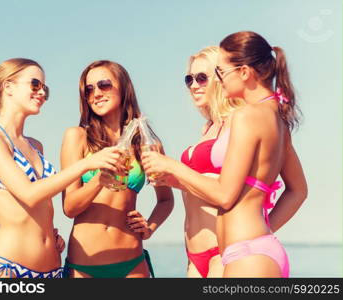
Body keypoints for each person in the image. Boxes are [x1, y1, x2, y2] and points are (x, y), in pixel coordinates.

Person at [142, 31, 308, 277]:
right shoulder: (276, 119)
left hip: (246, 254)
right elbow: (297, 190)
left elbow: (225, 195)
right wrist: (263, 231)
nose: (219, 80)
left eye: (220, 73)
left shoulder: (245, 116)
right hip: (254, 248)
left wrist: (171, 165)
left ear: (243, 72)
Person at [0, 58, 123, 278]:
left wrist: (47, 234)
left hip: (52, 270)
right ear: (8, 87)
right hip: (9, 269)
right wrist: (88, 164)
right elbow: (29, 194)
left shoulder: (35, 145)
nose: (42, 93)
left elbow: (40, 206)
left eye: (45, 88)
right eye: (35, 85)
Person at [61, 60, 174, 278]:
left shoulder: (147, 144)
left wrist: (149, 227)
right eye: (89, 89)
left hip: (132, 263)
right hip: (86, 265)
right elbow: (69, 207)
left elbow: (166, 199)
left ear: (123, 87)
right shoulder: (78, 137)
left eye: (104, 85)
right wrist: (99, 180)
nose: (96, 94)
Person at [181, 46, 244, 277]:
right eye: (189, 79)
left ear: (220, 78)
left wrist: (174, 168)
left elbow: (230, 189)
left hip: (221, 250)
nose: (194, 86)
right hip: (193, 254)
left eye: (201, 78)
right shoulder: (208, 128)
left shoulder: (238, 120)